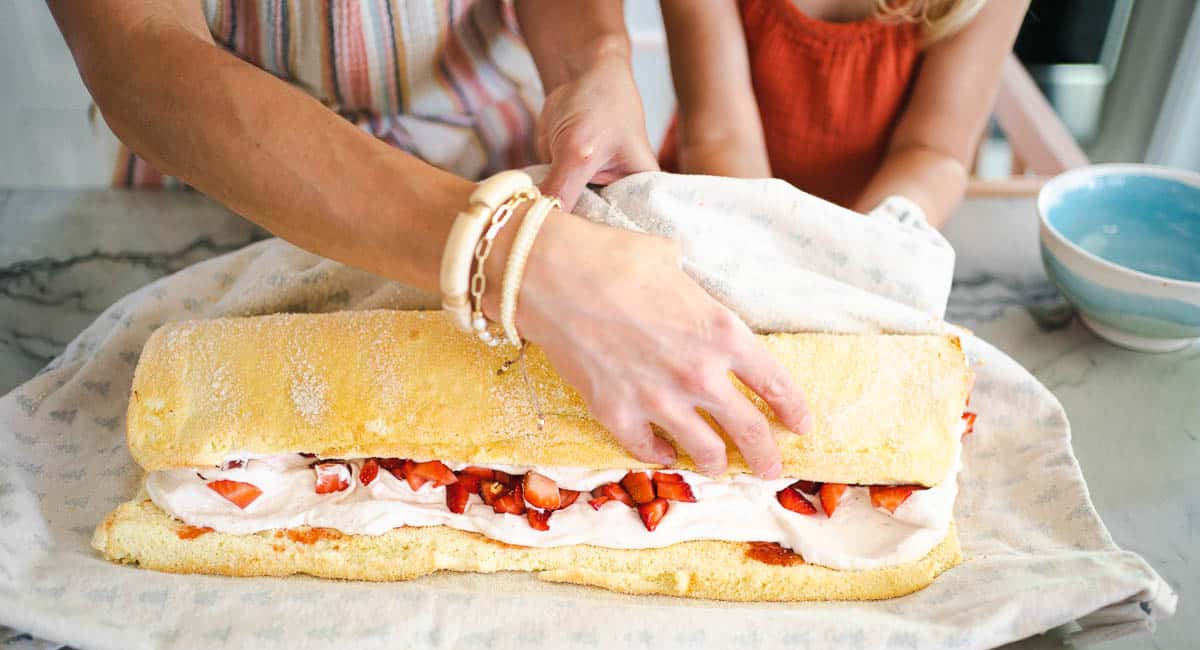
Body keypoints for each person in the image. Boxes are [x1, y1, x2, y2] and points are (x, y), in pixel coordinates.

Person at [47, 0, 811, 481]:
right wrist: (513, 258)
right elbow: (137, 51)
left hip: (508, 170)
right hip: (212, 192)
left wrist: (595, 63)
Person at [658, 0, 1030, 226]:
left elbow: (935, 150)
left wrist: (869, 242)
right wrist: (771, 246)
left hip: (874, 216)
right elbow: (720, 134)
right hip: (717, 204)